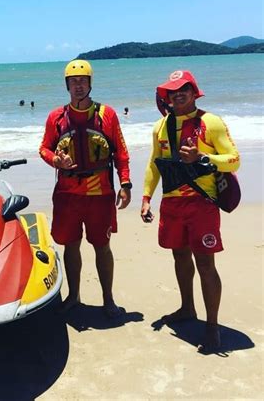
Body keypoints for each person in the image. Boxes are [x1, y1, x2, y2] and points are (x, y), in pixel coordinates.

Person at [141, 70, 240, 352]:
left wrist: (203, 158)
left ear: (194, 91)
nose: (178, 94)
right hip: (171, 204)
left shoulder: (211, 122)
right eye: (172, 91)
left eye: (184, 89)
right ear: (167, 97)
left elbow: (234, 160)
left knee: (205, 264)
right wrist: (146, 197)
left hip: (202, 204)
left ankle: (212, 327)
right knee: (180, 257)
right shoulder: (160, 127)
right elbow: (153, 164)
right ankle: (187, 308)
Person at [39, 59, 132, 316]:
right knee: (70, 245)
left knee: (102, 245)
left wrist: (125, 183)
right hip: (68, 194)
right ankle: (74, 296)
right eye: (73, 81)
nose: (78, 86)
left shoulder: (107, 115)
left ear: (90, 84)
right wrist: (55, 160)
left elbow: (121, 153)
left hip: (99, 193)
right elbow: (44, 148)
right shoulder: (56, 117)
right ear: (66, 85)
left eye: (82, 81)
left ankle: (108, 299)